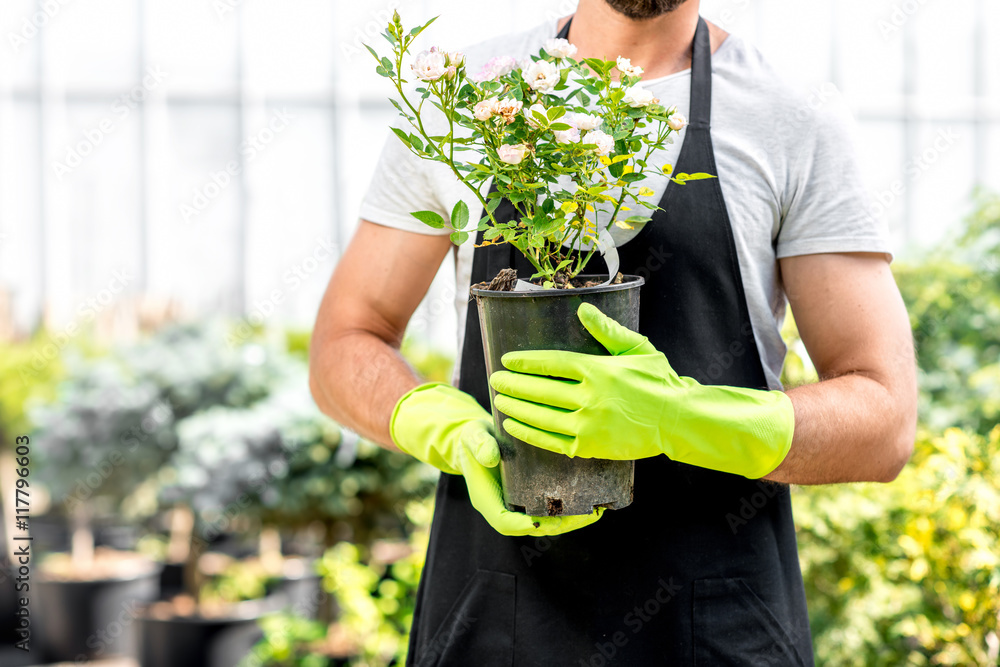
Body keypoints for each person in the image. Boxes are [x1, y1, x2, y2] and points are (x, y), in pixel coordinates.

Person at [309, 0, 918, 663]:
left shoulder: (793, 116)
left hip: (715, 626)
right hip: (497, 619)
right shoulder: (467, 101)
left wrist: (678, 417)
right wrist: (436, 423)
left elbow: (884, 418)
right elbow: (346, 340)